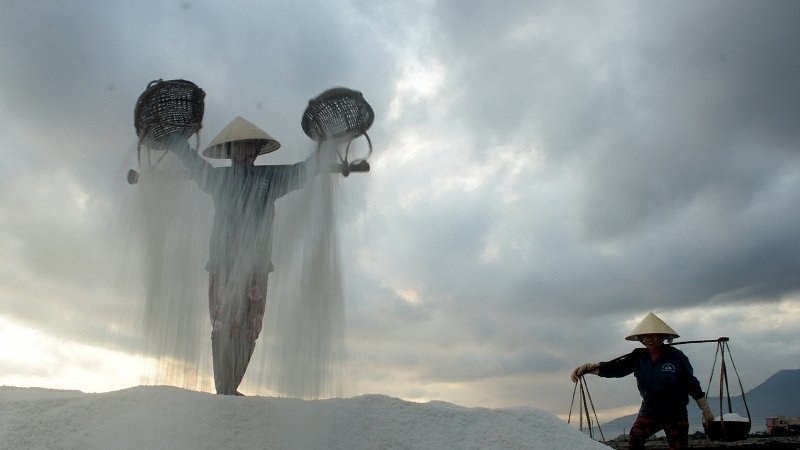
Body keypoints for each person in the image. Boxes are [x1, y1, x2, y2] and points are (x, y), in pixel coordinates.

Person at [164, 116, 348, 395]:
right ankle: (223, 388)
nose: (244, 153)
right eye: (238, 148)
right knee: (223, 323)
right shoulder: (218, 179)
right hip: (223, 264)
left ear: (255, 151)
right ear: (229, 153)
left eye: (249, 147)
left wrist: (325, 148)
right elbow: (194, 164)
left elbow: (304, 172)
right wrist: (177, 143)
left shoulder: (269, 179)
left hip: (257, 267)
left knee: (250, 327)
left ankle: (230, 385)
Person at [570, 312, 715, 450]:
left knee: (678, 446)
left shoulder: (676, 357)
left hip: (675, 411)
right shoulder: (638, 357)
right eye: (646, 336)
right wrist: (591, 368)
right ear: (641, 338)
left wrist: (705, 409)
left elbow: (691, 383)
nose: (650, 339)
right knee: (635, 438)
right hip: (650, 409)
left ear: (662, 337)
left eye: (654, 335)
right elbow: (617, 368)